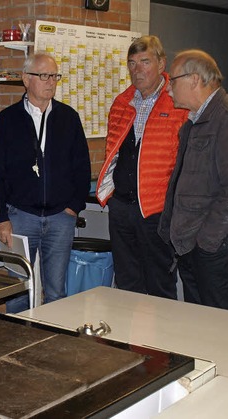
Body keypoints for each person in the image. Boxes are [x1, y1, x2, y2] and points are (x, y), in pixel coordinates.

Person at [159, 49, 228, 312]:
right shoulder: (194, 122)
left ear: (194, 79)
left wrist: (206, 242)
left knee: (221, 335)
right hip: (196, 246)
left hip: (218, 247)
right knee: (199, 330)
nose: (168, 90)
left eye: (173, 81)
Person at [0, 52, 91, 313]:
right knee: (17, 290)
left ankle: (53, 346)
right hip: (20, 217)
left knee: (57, 291)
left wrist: (74, 207)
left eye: (54, 76)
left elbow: (82, 166)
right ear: (26, 79)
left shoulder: (68, 118)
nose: (51, 82)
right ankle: (16, 342)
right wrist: (1, 217)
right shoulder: (6, 121)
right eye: (44, 75)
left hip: (60, 218)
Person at [96, 36, 188, 299]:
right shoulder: (121, 103)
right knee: (126, 285)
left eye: (145, 62)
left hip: (156, 212)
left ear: (161, 63)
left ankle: (158, 341)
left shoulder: (178, 104)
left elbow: (186, 162)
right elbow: (113, 153)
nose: (137, 70)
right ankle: (129, 341)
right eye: (132, 64)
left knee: (159, 285)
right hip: (122, 208)